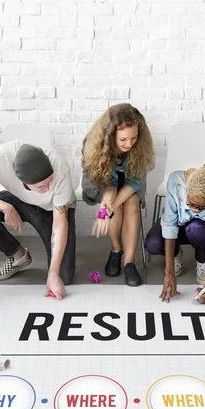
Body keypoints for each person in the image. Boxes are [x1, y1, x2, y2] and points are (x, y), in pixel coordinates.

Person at [0, 141, 76, 299]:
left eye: (49, 181)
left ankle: (54, 272)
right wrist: (6, 208)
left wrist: (53, 273)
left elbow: (59, 223)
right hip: (17, 200)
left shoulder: (59, 166)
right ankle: (18, 255)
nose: (47, 187)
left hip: (53, 209)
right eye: (41, 186)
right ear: (24, 183)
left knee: (63, 276)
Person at [81, 103, 155, 287]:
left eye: (134, 138)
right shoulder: (93, 145)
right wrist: (108, 203)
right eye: (123, 139)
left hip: (131, 184)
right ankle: (116, 249)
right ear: (110, 135)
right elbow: (103, 184)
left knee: (131, 203)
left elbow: (135, 182)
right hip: (102, 184)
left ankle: (129, 262)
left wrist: (108, 209)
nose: (129, 144)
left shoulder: (139, 147)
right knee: (114, 203)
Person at [145, 167, 205, 304]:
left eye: (202, 207)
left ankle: (203, 259)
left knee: (196, 228)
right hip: (178, 226)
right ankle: (175, 254)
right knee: (153, 243)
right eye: (191, 204)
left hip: (201, 232)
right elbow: (170, 224)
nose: (195, 210)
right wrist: (170, 273)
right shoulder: (176, 182)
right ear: (187, 190)